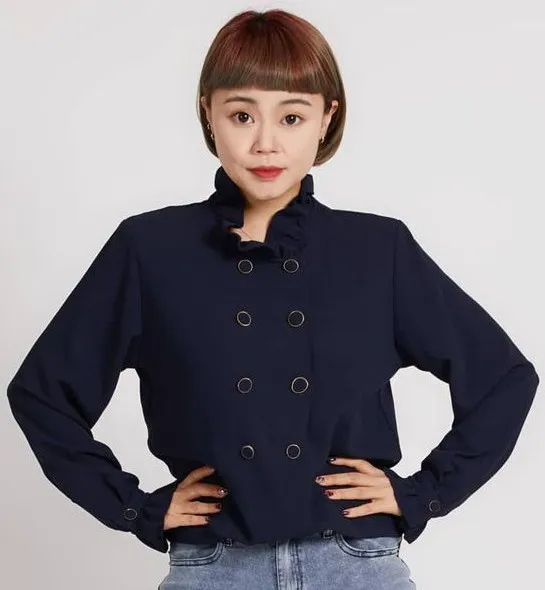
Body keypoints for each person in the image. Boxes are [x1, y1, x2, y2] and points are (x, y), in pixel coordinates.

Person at [6, 8, 539, 590]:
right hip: (213, 565)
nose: (265, 142)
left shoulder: (377, 249)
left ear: (326, 118)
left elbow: (503, 377)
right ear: (208, 114)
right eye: (241, 115)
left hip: (356, 562)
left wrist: (423, 493)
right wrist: (133, 506)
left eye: (291, 116)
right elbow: (43, 394)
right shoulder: (149, 249)